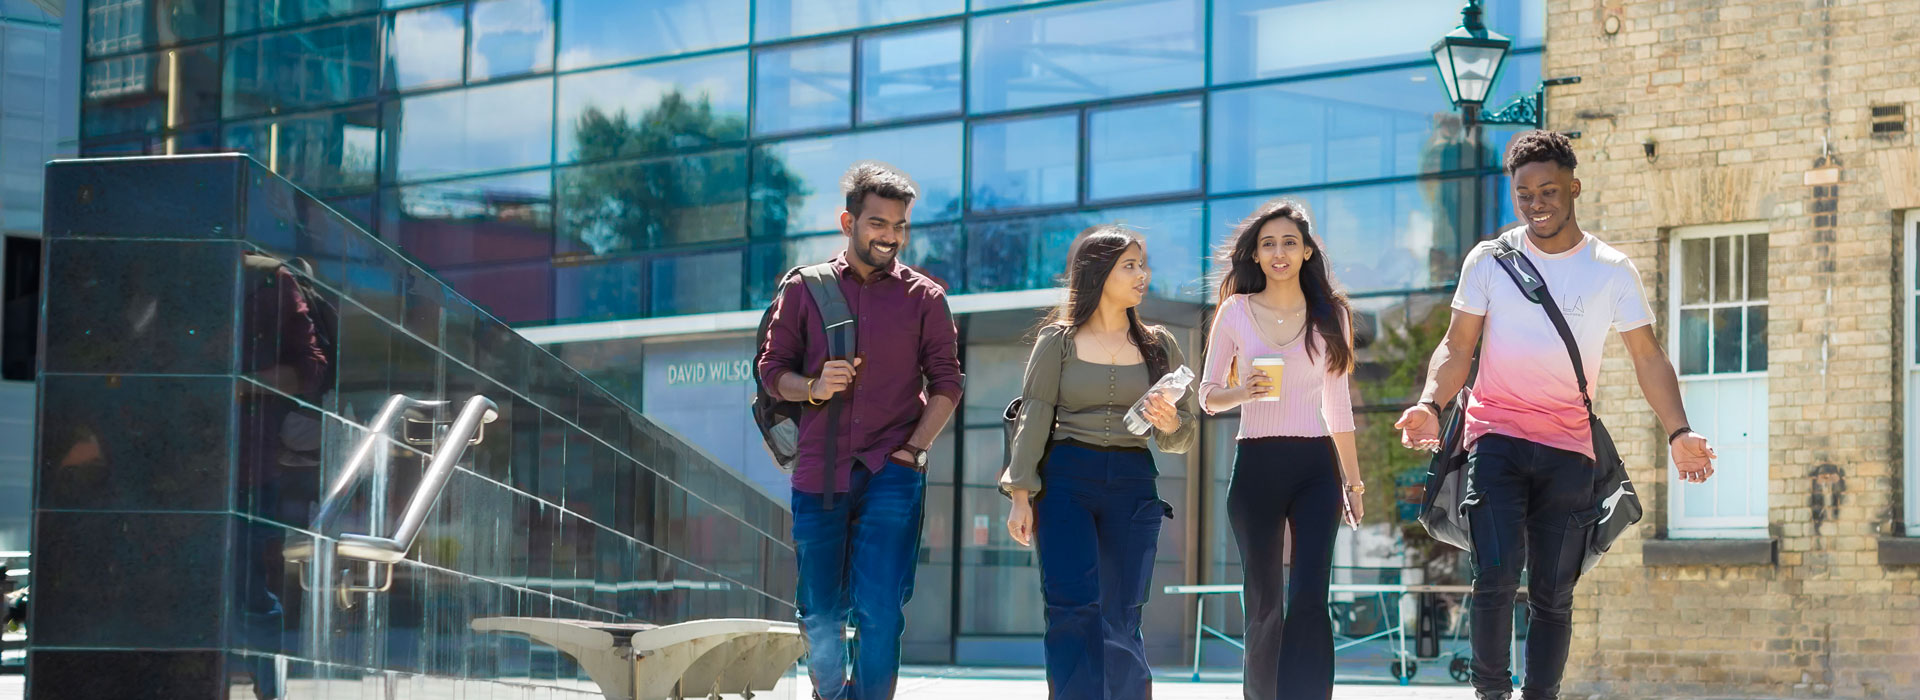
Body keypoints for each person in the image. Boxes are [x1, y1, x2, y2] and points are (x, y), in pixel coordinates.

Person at [1393, 130, 1718, 700]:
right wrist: (1429, 403)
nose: (1537, 203)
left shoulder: (1611, 269)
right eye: (1524, 194)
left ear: (1574, 188)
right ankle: (1491, 694)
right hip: (1495, 436)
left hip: (1570, 448)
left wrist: (1679, 431)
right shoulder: (1491, 260)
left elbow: (1648, 357)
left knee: (1553, 592)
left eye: (1548, 190)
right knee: (1493, 575)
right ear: (1513, 195)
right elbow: (1457, 345)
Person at [755, 161, 964, 700]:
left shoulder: (926, 299)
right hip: (819, 470)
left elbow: (947, 383)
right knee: (820, 611)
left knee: (881, 610)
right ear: (847, 221)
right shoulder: (804, 290)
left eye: (898, 226)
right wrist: (814, 386)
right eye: (877, 224)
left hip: (892, 470)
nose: (890, 236)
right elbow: (772, 371)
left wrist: (915, 450)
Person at [1001, 224, 1198, 700]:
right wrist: (1021, 497)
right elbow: (1033, 416)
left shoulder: (1159, 346)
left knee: (1123, 611)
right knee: (1071, 608)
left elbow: (1183, 436)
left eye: (1142, 265)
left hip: (1133, 483)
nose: (1142, 275)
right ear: (1099, 272)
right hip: (1066, 480)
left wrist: (1169, 422)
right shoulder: (1058, 340)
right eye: (1130, 265)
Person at [1198, 199, 1362, 700]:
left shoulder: (1331, 314)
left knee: (1310, 597)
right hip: (1257, 466)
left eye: (1290, 242)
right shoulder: (1236, 311)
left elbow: (1338, 405)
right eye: (1268, 243)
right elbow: (1206, 396)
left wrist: (1352, 482)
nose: (1279, 252)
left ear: (1308, 252)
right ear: (1256, 254)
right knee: (1264, 601)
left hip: (1316, 467)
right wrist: (1240, 391)